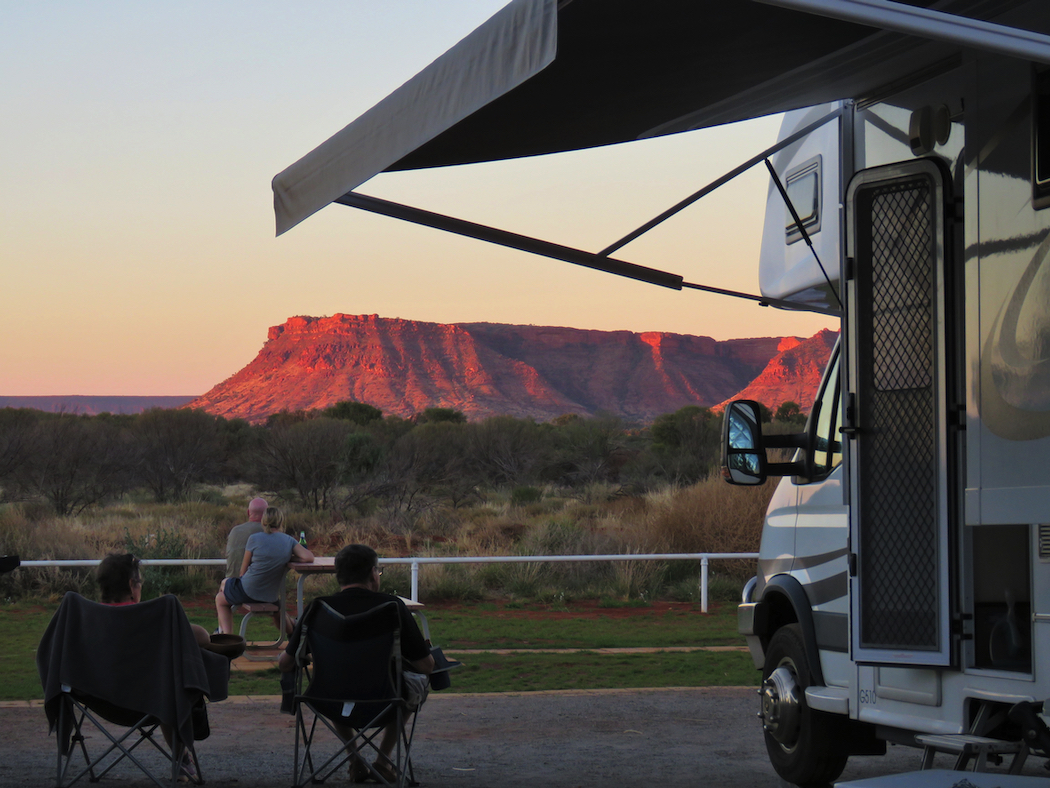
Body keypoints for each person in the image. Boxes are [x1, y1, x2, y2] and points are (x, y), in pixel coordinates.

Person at [278, 544, 434, 784]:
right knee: (414, 683)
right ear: (373, 573)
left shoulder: (317, 609)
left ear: (338, 575)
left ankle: (354, 760)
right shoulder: (392, 608)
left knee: (338, 677)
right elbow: (426, 666)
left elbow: (285, 663)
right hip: (386, 700)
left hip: (327, 698)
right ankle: (382, 760)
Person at [96, 552, 209, 781]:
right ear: (131, 584)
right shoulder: (152, 619)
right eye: (140, 583)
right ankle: (181, 759)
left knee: (163, 684)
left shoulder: (86, 618)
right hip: (149, 704)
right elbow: (203, 638)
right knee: (168, 685)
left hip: (99, 700)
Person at [215, 507, 313, 636]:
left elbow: (242, 572)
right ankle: (294, 636)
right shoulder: (288, 541)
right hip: (270, 595)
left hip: (249, 590)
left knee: (220, 597)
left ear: (263, 521)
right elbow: (308, 557)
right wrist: (288, 556)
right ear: (281, 522)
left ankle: (226, 636)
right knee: (278, 611)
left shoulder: (254, 538)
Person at [224, 497, 268, 579]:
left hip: (232, 582)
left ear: (248, 513)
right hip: (256, 584)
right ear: (267, 515)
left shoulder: (235, 531)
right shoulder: (268, 532)